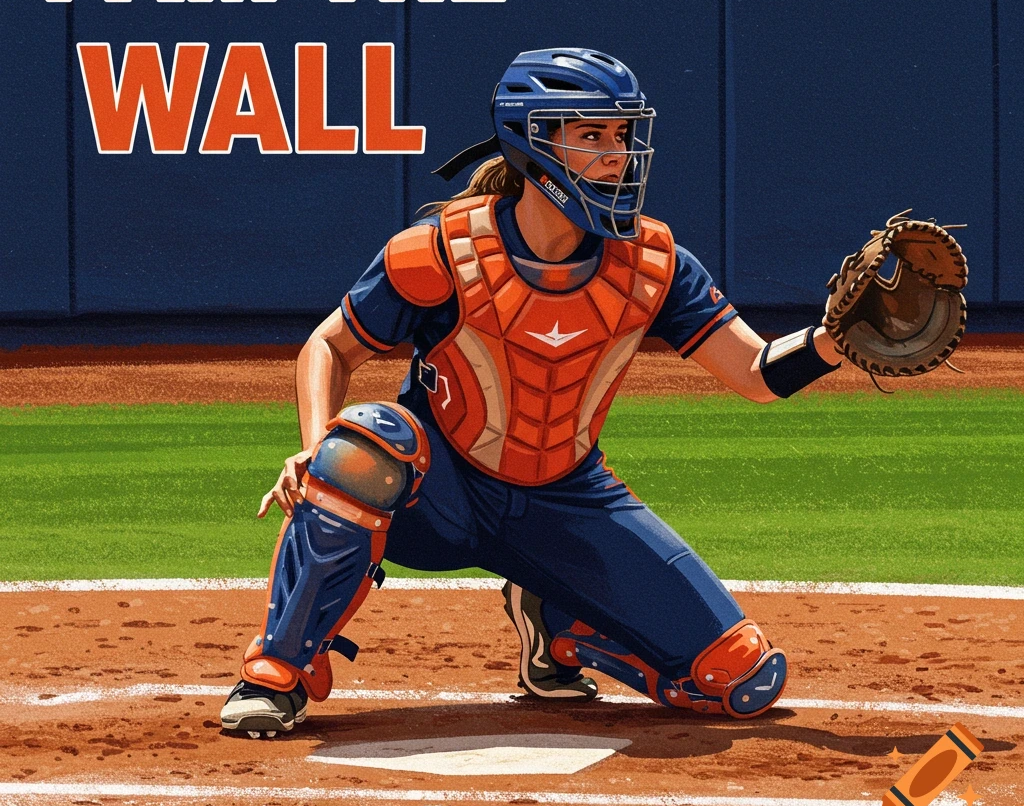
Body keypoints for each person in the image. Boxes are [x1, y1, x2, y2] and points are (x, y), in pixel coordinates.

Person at [220, 47, 842, 737]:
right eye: (593, 136)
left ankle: (562, 625)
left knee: (740, 679)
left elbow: (755, 374)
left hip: (567, 500)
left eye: (623, 136)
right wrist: (312, 448)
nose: (617, 155)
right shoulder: (439, 251)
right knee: (362, 443)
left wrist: (831, 343)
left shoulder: (656, 262)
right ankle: (277, 673)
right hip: (439, 498)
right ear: (533, 141)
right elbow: (331, 346)